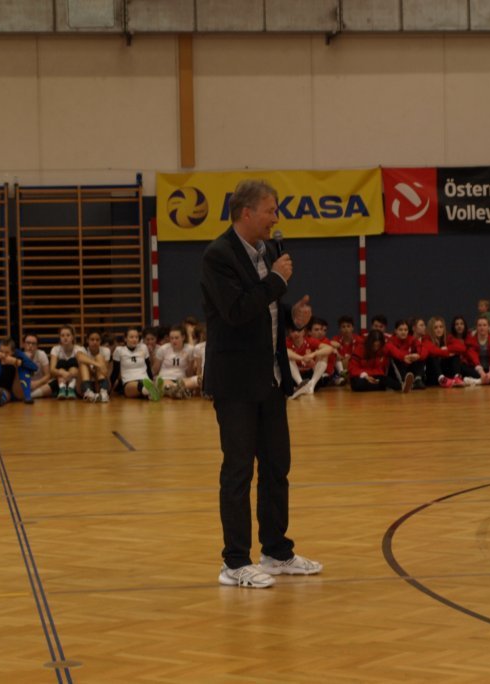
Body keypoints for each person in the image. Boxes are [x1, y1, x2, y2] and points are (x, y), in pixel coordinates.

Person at [200, 178, 321, 589]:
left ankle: (276, 552)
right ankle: (235, 561)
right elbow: (235, 311)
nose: (275, 218)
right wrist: (276, 282)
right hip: (235, 383)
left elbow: (265, 308)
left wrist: (291, 317)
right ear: (247, 212)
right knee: (238, 471)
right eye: (271, 210)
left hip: (270, 378)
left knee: (276, 467)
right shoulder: (218, 256)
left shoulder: (268, 251)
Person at [152, 324, 199, 399]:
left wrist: (190, 361)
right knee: (161, 382)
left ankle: (174, 390)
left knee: (197, 379)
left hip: (182, 381)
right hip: (165, 378)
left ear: (183, 337)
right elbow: (155, 370)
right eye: (171, 338)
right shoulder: (163, 349)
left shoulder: (189, 349)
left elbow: (189, 374)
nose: (174, 341)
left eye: (176, 338)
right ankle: (177, 390)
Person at [111, 327, 157, 400]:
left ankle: (149, 390)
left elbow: (148, 367)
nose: (134, 339)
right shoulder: (119, 350)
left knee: (147, 383)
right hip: (129, 381)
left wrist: (151, 380)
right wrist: (110, 388)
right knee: (139, 386)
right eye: (131, 337)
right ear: (125, 339)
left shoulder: (143, 347)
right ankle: (148, 390)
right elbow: (115, 371)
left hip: (144, 378)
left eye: (136, 337)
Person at [50, 325, 85, 399]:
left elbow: (83, 370)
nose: (65, 338)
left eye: (68, 335)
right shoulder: (55, 349)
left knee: (72, 361)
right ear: (60, 337)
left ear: (72, 337)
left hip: (76, 381)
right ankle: (62, 388)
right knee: (61, 362)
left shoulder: (79, 349)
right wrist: (63, 373)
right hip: (59, 381)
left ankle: (71, 388)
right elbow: (52, 370)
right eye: (62, 335)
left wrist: (70, 374)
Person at [77, 330, 113, 402]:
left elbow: (104, 371)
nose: (95, 342)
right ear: (87, 340)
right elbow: (79, 357)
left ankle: (103, 392)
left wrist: (98, 364)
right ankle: (88, 392)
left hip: (98, 383)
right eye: (92, 339)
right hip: (84, 383)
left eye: (97, 340)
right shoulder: (82, 349)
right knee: (83, 363)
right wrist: (97, 364)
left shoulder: (106, 350)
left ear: (100, 341)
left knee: (99, 357)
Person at [22, 333, 53, 399]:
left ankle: (30, 396)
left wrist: (36, 383)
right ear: (23, 344)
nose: (30, 346)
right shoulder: (19, 356)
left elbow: (47, 375)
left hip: (40, 384)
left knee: (53, 382)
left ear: (37, 346)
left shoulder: (41, 354)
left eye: (33, 344)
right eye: (28, 343)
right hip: (25, 385)